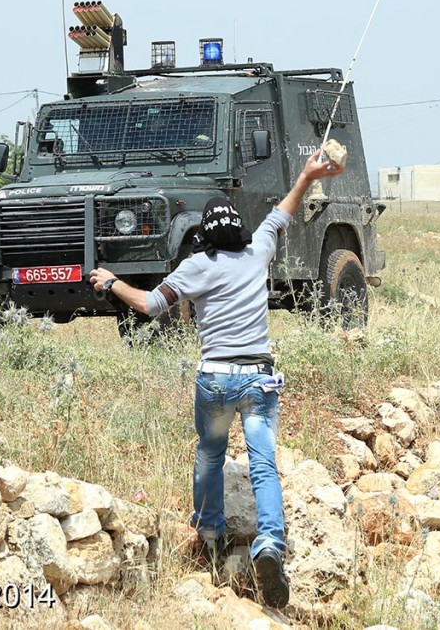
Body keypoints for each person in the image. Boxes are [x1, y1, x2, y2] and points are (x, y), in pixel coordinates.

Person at [89, 149, 345, 608]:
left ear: (205, 235)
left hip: (216, 380)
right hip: (259, 380)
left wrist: (111, 283)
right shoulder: (259, 250)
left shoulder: (196, 266)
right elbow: (283, 213)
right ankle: (269, 542)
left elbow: (149, 305)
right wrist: (308, 173)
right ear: (240, 231)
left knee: (210, 455)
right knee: (263, 463)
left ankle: (209, 533)